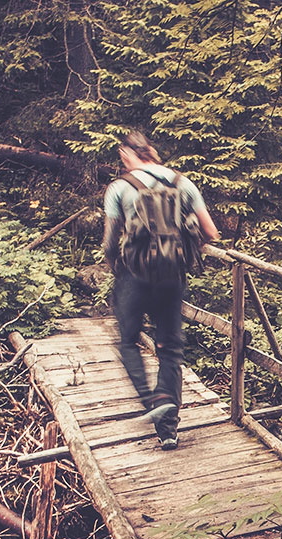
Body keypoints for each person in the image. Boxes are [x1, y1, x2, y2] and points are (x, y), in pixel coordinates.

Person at [102, 131, 220, 450]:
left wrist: (117, 269)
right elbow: (210, 231)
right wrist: (182, 250)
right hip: (172, 275)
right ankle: (168, 429)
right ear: (152, 153)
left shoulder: (120, 187)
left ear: (128, 154)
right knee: (170, 348)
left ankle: (152, 401)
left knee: (128, 341)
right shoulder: (183, 183)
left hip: (134, 275)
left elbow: (110, 242)